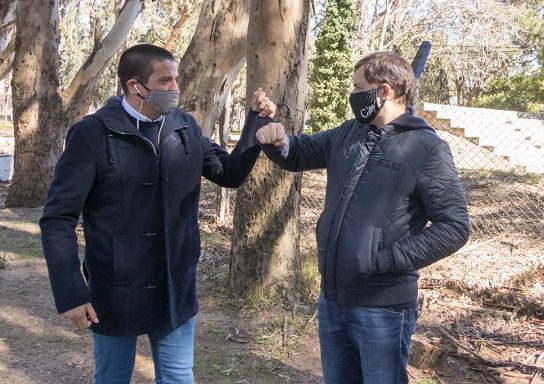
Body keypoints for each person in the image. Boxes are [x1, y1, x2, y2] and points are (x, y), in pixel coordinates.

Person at [40, 44, 276, 383]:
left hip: (174, 285)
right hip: (115, 288)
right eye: (165, 81)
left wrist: (257, 123)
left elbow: (229, 173)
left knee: (179, 377)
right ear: (135, 86)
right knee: (112, 376)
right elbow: (58, 218)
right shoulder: (92, 134)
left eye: (176, 79)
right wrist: (71, 293)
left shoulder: (185, 127)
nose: (175, 88)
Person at [256, 51, 469, 384]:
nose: (352, 95)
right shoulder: (349, 132)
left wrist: (383, 261)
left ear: (383, 91)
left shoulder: (427, 148)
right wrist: (277, 140)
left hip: (382, 306)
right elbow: (297, 152)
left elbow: (454, 226)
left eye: (358, 87)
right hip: (333, 297)